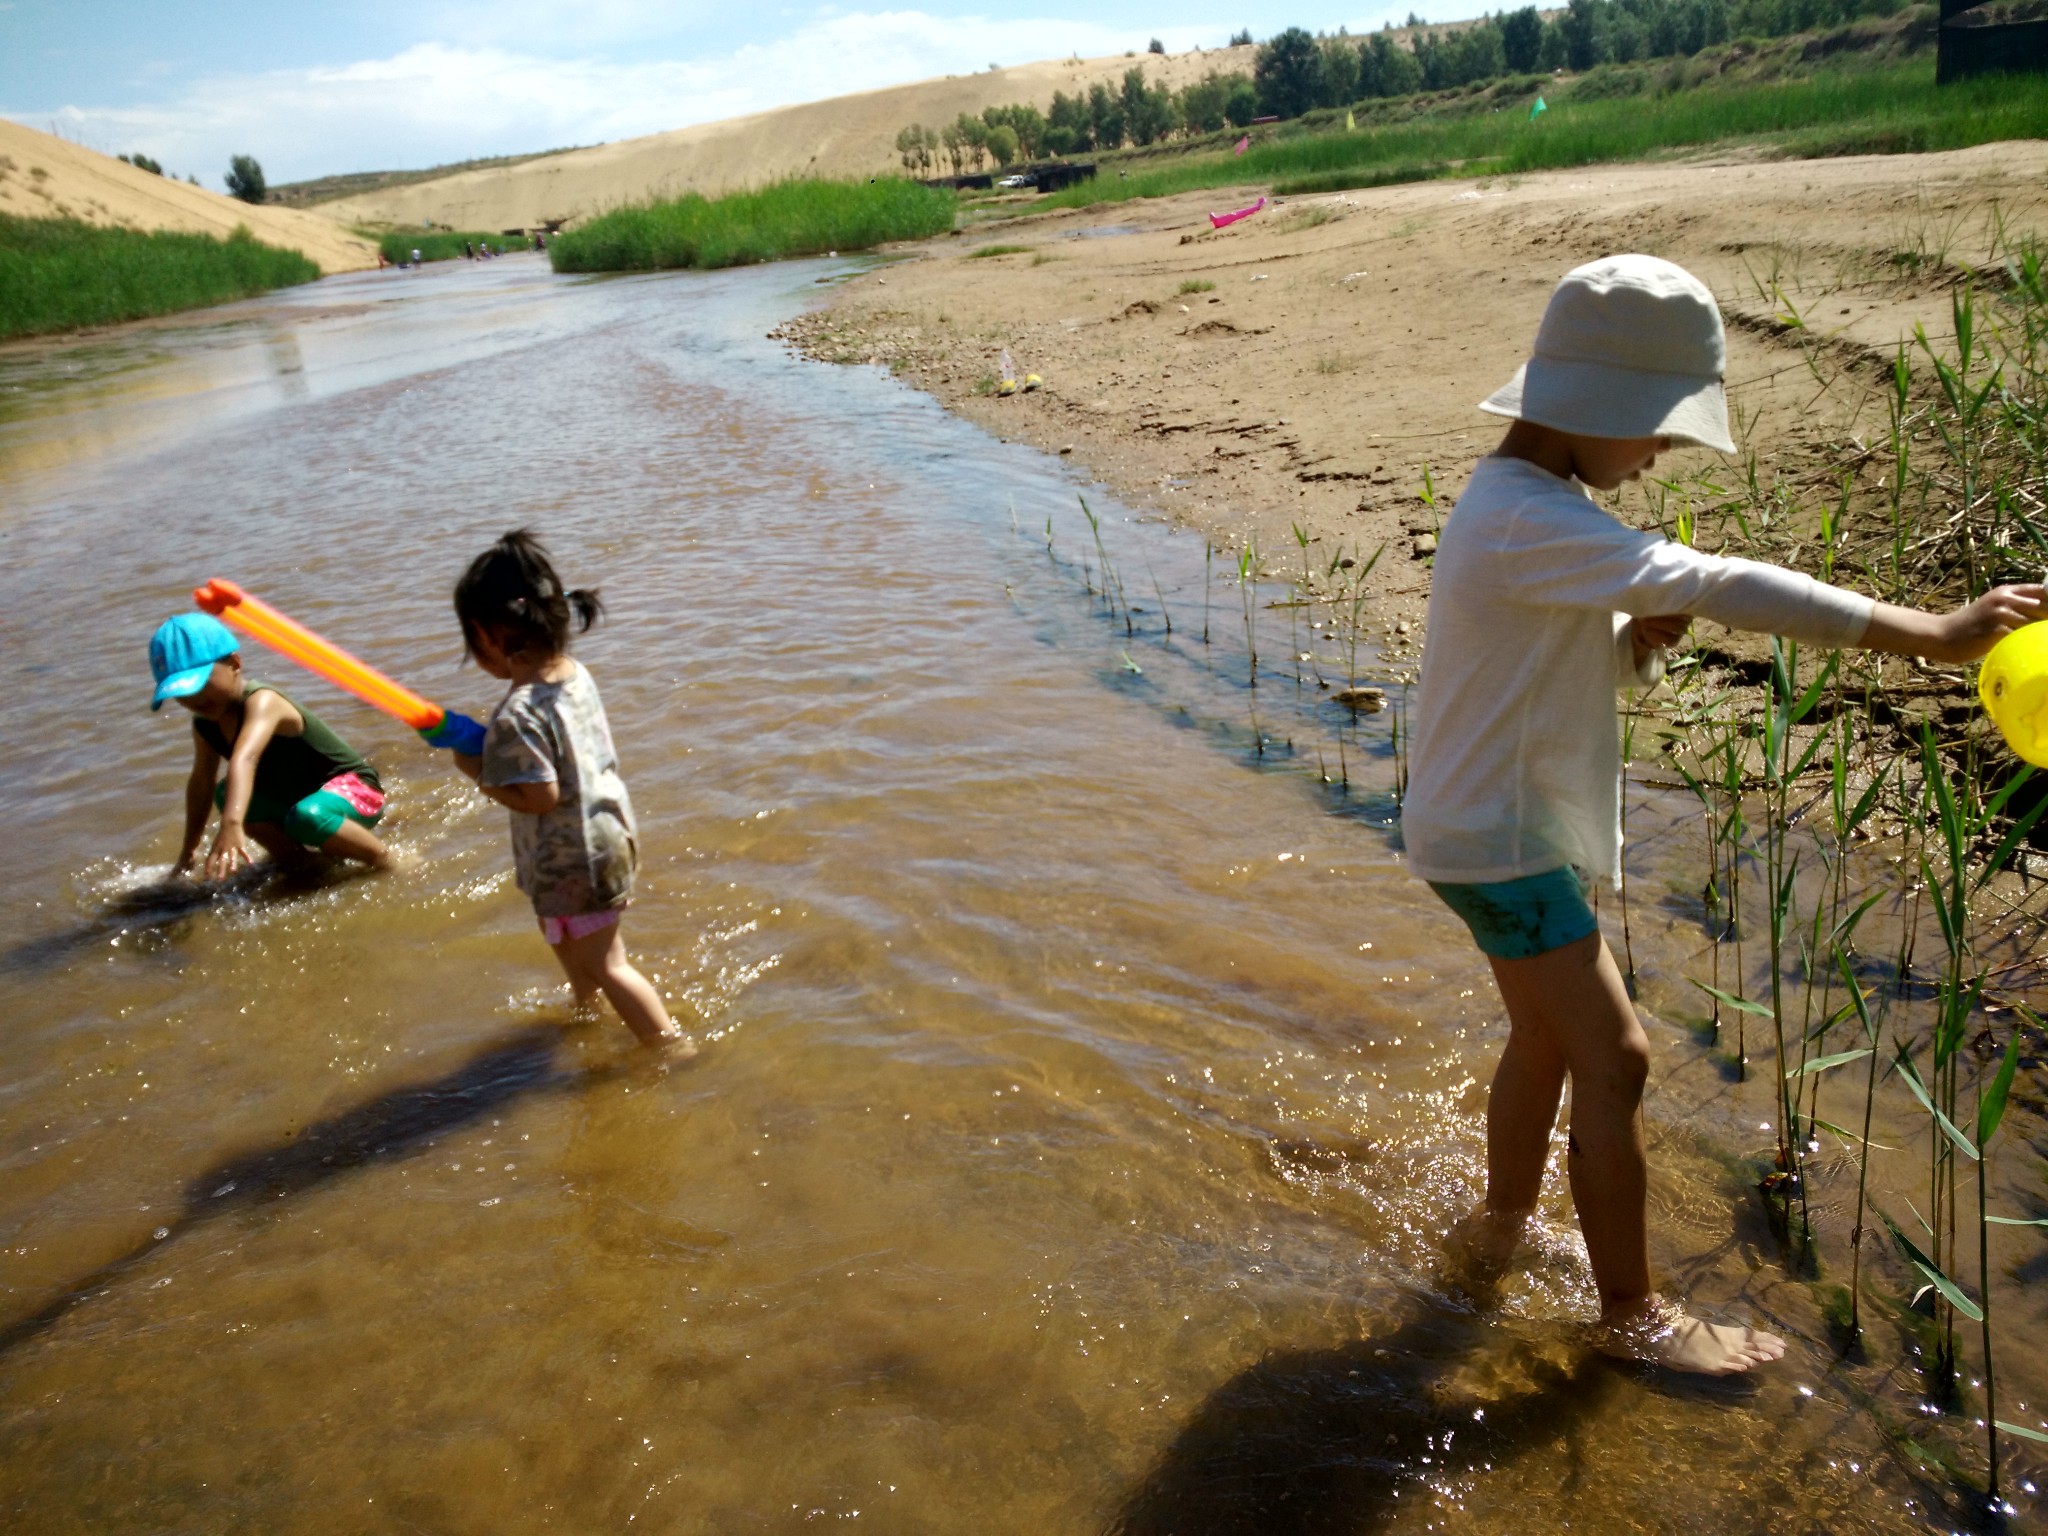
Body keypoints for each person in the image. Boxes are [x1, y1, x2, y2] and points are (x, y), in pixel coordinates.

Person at [1403, 254, 2044, 1375]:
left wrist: (1622, 647)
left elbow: (1538, 675)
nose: (1655, 457)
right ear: (1592, 411)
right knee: (1620, 1060)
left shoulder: (1519, 507)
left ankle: (1497, 1229)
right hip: (1498, 844)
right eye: (1654, 432)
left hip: (1475, 828)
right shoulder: (1525, 518)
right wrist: (1931, 635)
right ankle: (1631, 1319)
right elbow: (1720, 581)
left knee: (1549, 1044)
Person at [422, 531, 690, 1051]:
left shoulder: (517, 715)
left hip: (574, 859)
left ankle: (671, 1048)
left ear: (487, 635)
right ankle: (587, 1015)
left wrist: (477, 771)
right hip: (602, 837)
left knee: (610, 964)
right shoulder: (572, 676)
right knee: (571, 941)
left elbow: (540, 796)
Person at [150, 613, 394, 879]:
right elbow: (201, 784)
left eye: (200, 684)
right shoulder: (205, 725)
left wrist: (231, 824)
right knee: (224, 793)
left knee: (306, 816)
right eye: (180, 694)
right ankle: (303, 864)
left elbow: (246, 759)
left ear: (234, 664)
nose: (193, 699)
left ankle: (388, 860)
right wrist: (188, 853)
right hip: (301, 802)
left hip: (357, 790)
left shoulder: (263, 701)